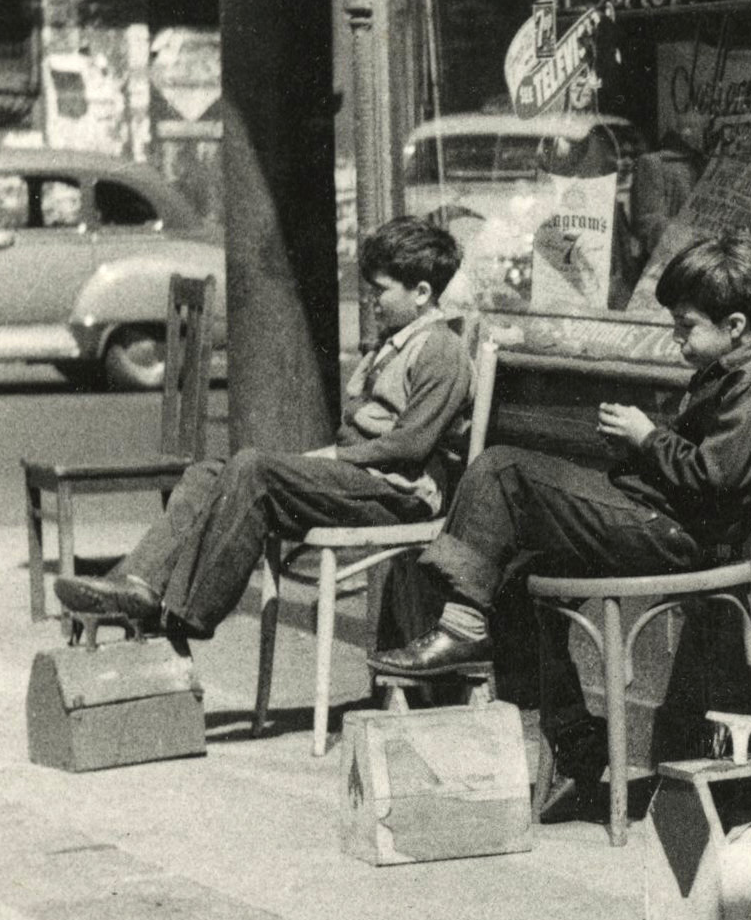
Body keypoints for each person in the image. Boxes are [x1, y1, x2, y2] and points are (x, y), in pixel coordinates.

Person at [369, 230, 751, 783]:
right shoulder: (732, 368)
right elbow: (700, 465)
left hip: (677, 535)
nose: (676, 338)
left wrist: (647, 439)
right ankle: (574, 739)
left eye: (687, 327)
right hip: (660, 518)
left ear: (734, 327)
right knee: (512, 574)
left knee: (502, 469)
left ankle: (462, 626)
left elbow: (715, 477)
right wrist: (641, 445)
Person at [54, 216, 472, 642]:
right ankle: (137, 584)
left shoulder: (441, 349)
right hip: (361, 482)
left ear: (422, 293)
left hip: (399, 493)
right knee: (209, 473)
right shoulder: (394, 342)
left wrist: (331, 457)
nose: (372, 301)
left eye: (381, 290)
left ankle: (180, 616)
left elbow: (410, 444)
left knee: (254, 468)